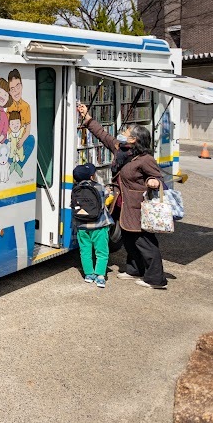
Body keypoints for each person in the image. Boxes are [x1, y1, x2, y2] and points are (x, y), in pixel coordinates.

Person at [78, 102, 167, 289]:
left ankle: (155, 278)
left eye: (127, 131)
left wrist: (153, 182)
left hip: (136, 206)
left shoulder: (145, 159)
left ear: (134, 140)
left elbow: (158, 178)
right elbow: (104, 136)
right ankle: (134, 268)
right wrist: (87, 117)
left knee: (144, 241)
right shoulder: (122, 150)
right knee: (128, 238)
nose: (123, 133)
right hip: (121, 203)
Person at [71, 163, 113, 288]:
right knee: (101, 252)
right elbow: (106, 198)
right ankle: (100, 276)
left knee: (85, 251)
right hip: (99, 225)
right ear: (91, 176)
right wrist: (109, 192)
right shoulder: (99, 187)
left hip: (82, 226)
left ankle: (88, 275)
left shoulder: (75, 189)